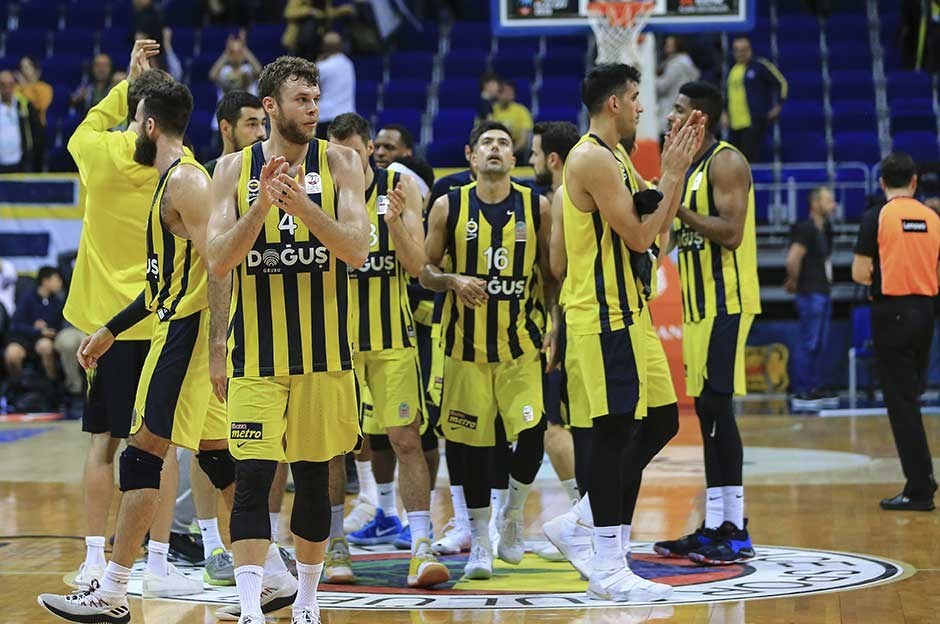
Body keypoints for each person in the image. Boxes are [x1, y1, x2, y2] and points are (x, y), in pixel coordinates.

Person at [38, 65, 236, 622]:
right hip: (159, 322)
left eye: (135, 122)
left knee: (137, 449)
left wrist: (219, 345)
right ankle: (265, 568)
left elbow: (220, 265)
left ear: (147, 125)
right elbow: (165, 277)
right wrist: (111, 329)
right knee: (216, 456)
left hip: (187, 331)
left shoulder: (181, 179)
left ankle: (109, 583)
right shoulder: (173, 174)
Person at [206, 55, 369, 624]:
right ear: (271, 106)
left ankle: (307, 602)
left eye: (317, 99)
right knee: (252, 480)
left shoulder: (343, 162)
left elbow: (357, 249)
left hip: (324, 356)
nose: (314, 109)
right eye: (302, 100)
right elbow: (217, 260)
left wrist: (303, 207)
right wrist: (260, 207)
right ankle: (252, 608)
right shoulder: (230, 170)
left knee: (314, 481)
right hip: (256, 355)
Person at [551, 64, 701, 600]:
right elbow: (640, 237)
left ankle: (580, 521)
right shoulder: (592, 157)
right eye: (636, 97)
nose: (642, 106)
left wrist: (673, 174)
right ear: (613, 103)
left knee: (661, 420)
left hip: (631, 313)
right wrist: (673, 173)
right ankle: (608, 567)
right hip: (601, 315)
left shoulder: (618, 157)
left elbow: (656, 231)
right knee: (614, 435)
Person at [60, 42, 190, 591]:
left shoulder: (99, 153)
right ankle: (157, 563)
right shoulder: (181, 166)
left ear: (139, 115)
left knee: (103, 444)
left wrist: (128, 85)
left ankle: (95, 560)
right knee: (160, 445)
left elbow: (85, 127)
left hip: (105, 326)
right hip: (160, 320)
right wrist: (145, 91)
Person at [421, 120, 557, 580]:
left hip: (520, 346)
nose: (495, 148)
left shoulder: (537, 206)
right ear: (471, 156)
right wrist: (452, 280)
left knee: (533, 433)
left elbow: (549, 274)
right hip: (465, 351)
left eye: (503, 143)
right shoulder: (448, 205)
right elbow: (425, 271)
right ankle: (480, 542)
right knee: (473, 451)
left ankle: (512, 514)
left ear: (514, 159)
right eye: (486, 143)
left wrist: (555, 322)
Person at [325, 112, 450, 587]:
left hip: (391, 338)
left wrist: (395, 224)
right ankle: (335, 544)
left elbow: (419, 267)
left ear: (369, 150)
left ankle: (421, 544)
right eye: (337, 154)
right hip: (335, 343)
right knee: (334, 447)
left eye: (354, 153)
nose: (346, 162)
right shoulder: (320, 191)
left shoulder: (400, 187)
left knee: (406, 440)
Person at [654, 80, 761, 566]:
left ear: (700, 118)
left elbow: (732, 233)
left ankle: (735, 530)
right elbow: (673, 238)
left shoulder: (726, 161)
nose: (669, 116)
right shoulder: (689, 169)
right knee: (707, 412)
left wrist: (677, 207)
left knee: (718, 406)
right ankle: (716, 523)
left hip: (727, 302)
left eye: (678, 109)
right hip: (696, 308)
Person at [852, 152, 939, 511]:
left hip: (892, 313)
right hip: (927, 312)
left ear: (881, 182)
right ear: (915, 182)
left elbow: (860, 273)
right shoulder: (932, 218)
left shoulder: (877, 217)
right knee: (912, 398)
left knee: (901, 405)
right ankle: (923, 479)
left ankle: (919, 489)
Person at [526, 120, 582, 560]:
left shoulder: (560, 199)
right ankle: (590, 519)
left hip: (571, 321)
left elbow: (557, 273)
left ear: (552, 159)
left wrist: (554, 322)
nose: (530, 161)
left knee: (554, 426)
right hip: (582, 319)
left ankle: (585, 518)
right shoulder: (589, 192)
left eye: (534, 153)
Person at [785, 186, 836, 401]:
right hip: (809, 292)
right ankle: (802, 388)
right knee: (809, 342)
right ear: (815, 204)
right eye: (828, 200)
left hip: (823, 291)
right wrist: (793, 280)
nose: (833, 205)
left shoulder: (826, 228)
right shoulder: (805, 228)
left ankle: (814, 386)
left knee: (819, 344)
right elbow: (793, 258)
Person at [725, 37, 787, 162]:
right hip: (734, 123)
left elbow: (781, 83)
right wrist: (725, 112)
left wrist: (779, 105)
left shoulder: (760, 66)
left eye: (743, 50)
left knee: (748, 159)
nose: (740, 53)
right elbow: (727, 94)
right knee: (735, 160)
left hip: (753, 121)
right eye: (737, 50)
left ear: (750, 50)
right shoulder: (732, 70)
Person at [4, 266, 64, 384]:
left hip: (44, 339)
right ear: (46, 281)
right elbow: (16, 324)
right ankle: (18, 386)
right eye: (57, 279)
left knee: (45, 347)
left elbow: (59, 324)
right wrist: (37, 330)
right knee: (12, 354)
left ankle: (51, 384)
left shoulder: (58, 302)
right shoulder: (27, 298)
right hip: (23, 338)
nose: (60, 283)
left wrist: (48, 330)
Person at [205, 90, 267, 175]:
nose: (262, 133)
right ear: (226, 128)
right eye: (252, 124)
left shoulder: (273, 169)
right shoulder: (206, 175)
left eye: (263, 123)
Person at [656, 36, 700, 142]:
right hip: (684, 107)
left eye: (669, 44)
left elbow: (662, 86)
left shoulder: (676, 64)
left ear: (677, 45)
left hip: (671, 105)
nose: (666, 47)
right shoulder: (688, 61)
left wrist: (649, 78)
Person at [315, 32, 355, 139]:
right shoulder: (348, 64)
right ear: (341, 46)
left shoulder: (322, 66)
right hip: (347, 116)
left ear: (323, 47)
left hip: (326, 117)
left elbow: (314, 90)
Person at [15, 56, 52, 170]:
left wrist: (26, 86)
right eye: (22, 67)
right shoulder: (16, 88)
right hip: (20, 129)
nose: (24, 70)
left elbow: (38, 106)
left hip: (38, 130)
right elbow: (17, 103)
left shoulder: (45, 88)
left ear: (36, 71)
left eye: (27, 67)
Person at [0, 70, 40, 173]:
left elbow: (35, 130)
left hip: (20, 163)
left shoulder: (24, 105)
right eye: (3, 85)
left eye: (10, 85)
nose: (7, 89)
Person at [490, 80, 533, 161]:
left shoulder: (522, 110)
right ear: (498, 93)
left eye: (510, 92)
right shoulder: (490, 110)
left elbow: (523, 140)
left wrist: (509, 152)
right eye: (504, 91)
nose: (507, 95)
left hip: (515, 150)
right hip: (494, 146)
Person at [210, 31, 263, 98]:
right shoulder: (224, 71)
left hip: (247, 102)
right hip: (228, 103)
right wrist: (226, 52)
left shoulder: (248, 69)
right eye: (233, 53)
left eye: (239, 52)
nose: (236, 56)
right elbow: (212, 76)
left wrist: (244, 49)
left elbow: (259, 71)